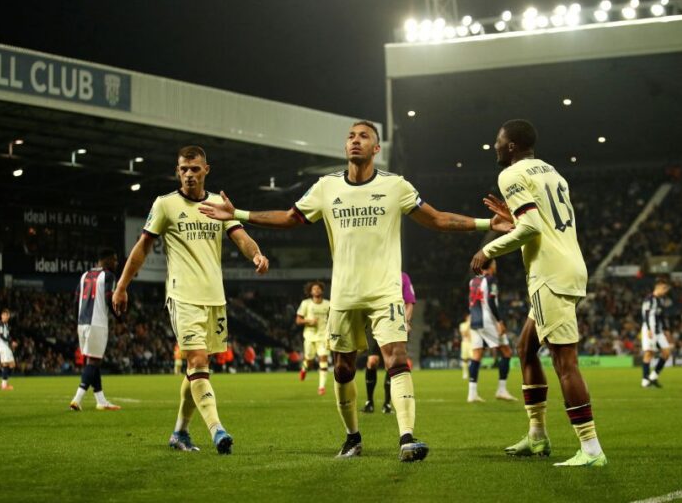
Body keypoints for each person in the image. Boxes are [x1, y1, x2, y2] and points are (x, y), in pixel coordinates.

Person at [199, 120, 506, 462]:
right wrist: (238, 213)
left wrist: (486, 224)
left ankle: (407, 437)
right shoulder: (326, 187)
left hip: (385, 290)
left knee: (397, 357)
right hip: (344, 293)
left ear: (376, 149)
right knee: (343, 368)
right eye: (351, 137)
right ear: (345, 148)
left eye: (364, 137)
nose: (355, 141)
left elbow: (434, 219)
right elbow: (289, 217)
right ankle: (352, 438)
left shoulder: (396, 186)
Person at [112, 145, 269, 455]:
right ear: (177, 171)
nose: (188, 174)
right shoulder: (165, 205)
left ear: (206, 170)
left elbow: (239, 236)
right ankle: (217, 430)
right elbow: (142, 247)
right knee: (197, 361)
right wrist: (122, 286)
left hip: (215, 298)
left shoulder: (217, 204)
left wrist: (257, 254)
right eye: (183, 169)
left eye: (195, 169)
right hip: (182, 296)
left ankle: (179, 433)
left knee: (197, 367)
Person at [470, 119, 607, 467]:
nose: (495, 146)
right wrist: (513, 221)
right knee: (525, 348)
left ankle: (591, 449)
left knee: (565, 363)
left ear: (512, 146)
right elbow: (539, 222)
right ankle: (537, 436)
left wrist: (489, 250)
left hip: (550, 274)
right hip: (568, 265)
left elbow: (531, 228)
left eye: (499, 141)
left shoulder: (511, 175)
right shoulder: (552, 173)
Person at [69, 248, 122, 411]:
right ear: (106, 261)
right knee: (94, 361)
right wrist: (119, 316)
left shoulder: (84, 275)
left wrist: (76, 320)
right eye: (114, 259)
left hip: (82, 322)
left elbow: (75, 299)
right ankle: (77, 399)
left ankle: (101, 400)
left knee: (93, 360)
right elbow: (109, 298)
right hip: (97, 323)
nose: (116, 263)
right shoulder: (109, 276)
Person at [363, 271, 416, 414]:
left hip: (395, 325)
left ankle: (387, 404)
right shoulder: (373, 275)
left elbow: (409, 302)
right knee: (372, 361)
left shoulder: (403, 277)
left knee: (391, 363)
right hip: (376, 323)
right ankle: (369, 402)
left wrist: (406, 321)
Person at [466, 259, 517, 403]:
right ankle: (501, 390)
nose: (496, 266)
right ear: (490, 266)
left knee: (477, 355)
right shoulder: (491, 279)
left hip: (475, 320)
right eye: (494, 263)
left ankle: (472, 393)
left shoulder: (473, 281)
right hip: (488, 321)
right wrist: (500, 322)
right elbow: (490, 301)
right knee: (506, 352)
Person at [296, 281, 331, 394]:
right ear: (310, 291)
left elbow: (333, 319)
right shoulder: (306, 303)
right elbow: (298, 320)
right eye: (314, 289)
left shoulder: (328, 304)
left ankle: (321, 387)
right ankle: (304, 369)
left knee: (323, 358)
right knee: (309, 361)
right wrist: (308, 320)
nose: (316, 290)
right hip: (310, 336)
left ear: (322, 290)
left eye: (318, 288)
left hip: (323, 336)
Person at [641, 277, 672, 388]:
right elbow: (646, 314)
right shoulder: (649, 299)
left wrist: (667, 330)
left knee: (667, 352)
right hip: (650, 329)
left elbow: (662, 316)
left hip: (659, 331)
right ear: (658, 287)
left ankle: (653, 376)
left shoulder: (660, 300)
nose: (665, 291)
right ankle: (645, 380)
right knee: (649, 353)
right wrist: (649, 328)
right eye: (664, 289)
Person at [0, 308, 16, 391]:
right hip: (3, 347)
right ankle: (4, 386)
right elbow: (1, 336)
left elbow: (7, 336)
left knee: (12, 365)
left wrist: (11, 342)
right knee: (7, 365)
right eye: (4, 315)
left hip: (6, 346)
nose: (6, 317)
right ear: (1, 315)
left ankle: (3, 383)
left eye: (7, 315)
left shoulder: (6, 324)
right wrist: (11, 342)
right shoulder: (0, 324)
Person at [458, 313, 471, 380]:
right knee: (465, 359)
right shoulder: (462, 325)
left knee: (474, 359)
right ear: (466, 318)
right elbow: (464, 334)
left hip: (472, 343)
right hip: (465, 343)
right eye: (469, 317)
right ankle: (465, 373)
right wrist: (469, 325)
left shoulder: (474, 325)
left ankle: (472, 373)